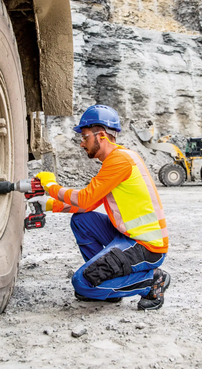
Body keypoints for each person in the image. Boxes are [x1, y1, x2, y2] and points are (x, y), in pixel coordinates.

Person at [35, 105, 170, 310]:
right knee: (83, 221)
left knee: (81, 283)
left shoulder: (119, 160)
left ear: (102, 135)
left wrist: (51, 186)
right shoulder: (117, 160)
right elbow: (89, 204)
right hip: (129, 237)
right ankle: (109, 286)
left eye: (85, 136)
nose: (82, 143)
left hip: (146, 246)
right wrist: (49, 205)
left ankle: (152, 282)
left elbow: (84, 199)